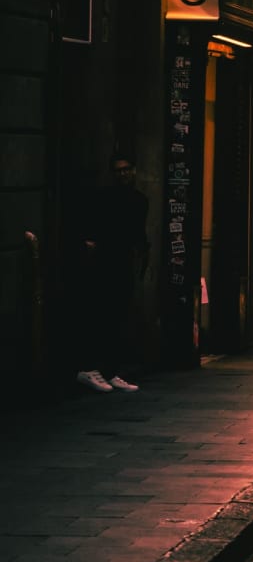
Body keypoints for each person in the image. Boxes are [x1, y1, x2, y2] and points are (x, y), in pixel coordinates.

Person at [75, 152, 151, 393]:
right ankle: (90, 369)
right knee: (100, 316)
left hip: (123, 262)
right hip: (104, 263)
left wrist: (140, 257)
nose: (123, 173)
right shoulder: (103, 198)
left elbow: (138, 232)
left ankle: (111, 371)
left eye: (127, 169)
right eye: (118, 170)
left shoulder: (139, 200)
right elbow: (91, 228)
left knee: (119, 317)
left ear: (134, 170)